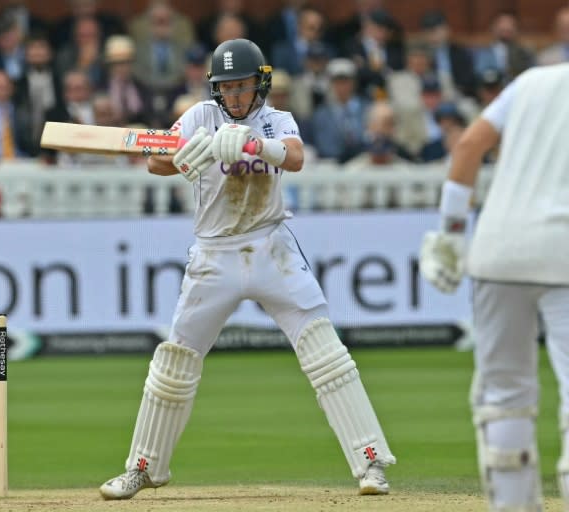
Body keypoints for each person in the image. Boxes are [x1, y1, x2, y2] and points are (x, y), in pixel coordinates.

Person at [99, 38, 395, 501]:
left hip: (270, 248)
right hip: (213, 256)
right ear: (216, 90)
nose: (235, 97)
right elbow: (156, 161)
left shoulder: (277, 120)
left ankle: (372, 463)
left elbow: (294, 157)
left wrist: (257, 144)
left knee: (325, 352)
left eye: (243, 87)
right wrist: (181, 158)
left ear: (260, 84)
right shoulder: (199, 116)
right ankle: (143, 467)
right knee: (174, 361)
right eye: (227, 89)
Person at [419, 63, 569, 511]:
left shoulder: (529, 82)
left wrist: (450, 233)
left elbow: (468, 146)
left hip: (498, 249)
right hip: (563, 254)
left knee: (503, 396)